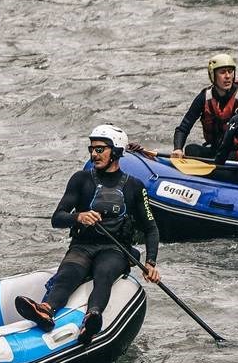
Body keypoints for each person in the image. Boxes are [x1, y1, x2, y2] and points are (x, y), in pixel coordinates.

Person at [15, 125, 160, 344]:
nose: (94, 154)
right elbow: (57, 218)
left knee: (104, 273)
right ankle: (46, 310)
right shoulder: (80, 179)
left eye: (100, 149)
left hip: (115, 249)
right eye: (91, 149)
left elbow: (151, 228)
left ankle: (92, 317)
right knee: (68, 273)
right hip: (83, 246)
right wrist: (78, 217)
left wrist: (151, 263)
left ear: (116, 151)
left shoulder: (135, 187)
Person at [169, 53, 238, 158]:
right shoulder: (204, 97)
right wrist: (178, 149)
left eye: (230, 71)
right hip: (215, 149)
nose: (228, 76)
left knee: (233, 156)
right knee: (190, 149)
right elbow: (183, 128)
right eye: (222, 72)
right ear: (213, 75)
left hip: (235, 152)